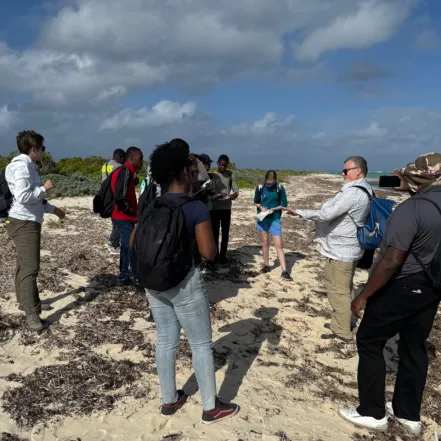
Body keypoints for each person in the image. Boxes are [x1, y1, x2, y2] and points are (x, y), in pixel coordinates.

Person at [339, 153, 441, 437]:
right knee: (414, 346)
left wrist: (363, 295)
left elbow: (391, 261)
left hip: (401, 284)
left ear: (415, 179)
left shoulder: (412, 209)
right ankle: (408, 415)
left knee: (369, 341)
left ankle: (372, 412)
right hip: (432, 287)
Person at [144, 141, 240, 424]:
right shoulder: (195, 208)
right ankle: (211, 408)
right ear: (184, 175)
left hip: (154, 283)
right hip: (185, 283)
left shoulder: (152, 206)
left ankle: (169, 400)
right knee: (200, 344)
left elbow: (137, 241)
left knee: (165, 341)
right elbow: (209, 253)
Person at [287, 156, 372, 342]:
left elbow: (327, 214)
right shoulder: (363, 189)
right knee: (344, 288)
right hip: (347, 248)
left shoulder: (354, 193)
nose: (342, 173)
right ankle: (341, 322)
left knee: (338, 291)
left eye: (346, 170)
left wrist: (300, 212)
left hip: (342, 250)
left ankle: (342, 331)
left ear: (358, 171)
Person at [5, 130, 65, 331]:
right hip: (24, 222)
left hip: (25, 220)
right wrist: (45, 188)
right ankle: (31, 314)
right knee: (30, 268)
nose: (43, 152)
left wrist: (53, 209)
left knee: (23, 266)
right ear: (33, 149)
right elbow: (23, 196)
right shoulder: (22, 167)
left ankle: (28, 302)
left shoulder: (28, 166)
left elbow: (35, 199)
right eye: (42, 149)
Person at [111, 146, 143, 285]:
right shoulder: (125, 171)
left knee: (125, 247)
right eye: (140, 158)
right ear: (131, 158)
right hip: (123, 217)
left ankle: (124, 275)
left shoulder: (128, 171)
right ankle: (133, 276)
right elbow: (119, 196)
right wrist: (130, 211)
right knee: (132, 246)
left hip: (122, 217)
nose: (142, 161)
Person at [254, 170, 292, 281]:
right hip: (262, 218)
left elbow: (284, 204)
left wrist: (274, 209)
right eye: (267, 183)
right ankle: (266, 265)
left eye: (271, 183)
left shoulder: (280, 188)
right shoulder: (260, 187)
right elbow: (255, 201)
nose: (269, 185)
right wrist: (261, 207)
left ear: (275, 181)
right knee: (265, 243)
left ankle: (284, 271)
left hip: (275, 219)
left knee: (279, 245)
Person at [210, 155, 239, 264]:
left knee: (225, 233)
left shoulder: (230, 174)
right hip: (215, 208)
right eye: (222, 165)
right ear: (217, 163)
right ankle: (215, 255)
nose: (223, 167)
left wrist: (235, 194)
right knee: (215, 233)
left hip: (226, 208)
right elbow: (210, 193)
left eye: (225, 166)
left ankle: (223, 256)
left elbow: (235, 188)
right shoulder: (213, 175)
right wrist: (217, 196)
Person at [102, 148, 126, 255]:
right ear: (120, 158)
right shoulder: (119, 167)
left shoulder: (105, 165)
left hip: (105, 196)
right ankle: (114, 244)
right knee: (120, 221)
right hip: (115, 197)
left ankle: (112, 241)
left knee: (114, 220)